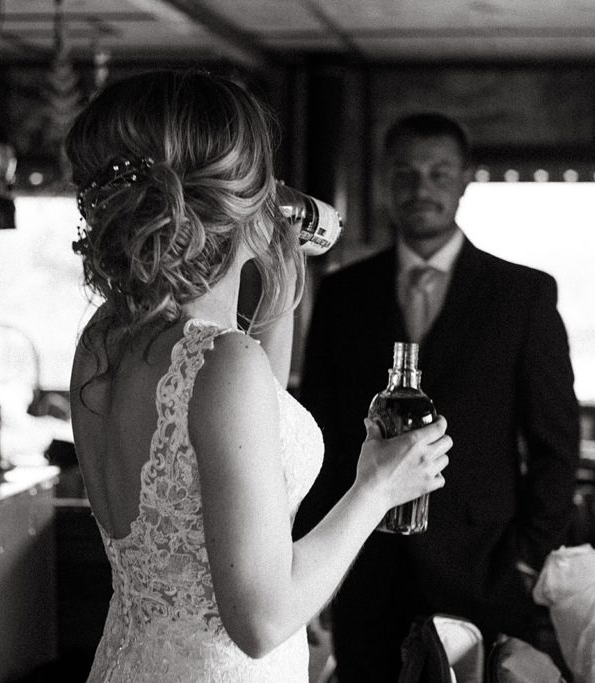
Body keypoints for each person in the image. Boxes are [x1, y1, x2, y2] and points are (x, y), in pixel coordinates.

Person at [66, 70, 452, 682]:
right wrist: (377, 486)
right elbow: (263, 622)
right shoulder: (221, 364)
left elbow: (258, 421)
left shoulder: (106, 339)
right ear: (240, 195)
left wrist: (282, 259)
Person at [294, 112, 580, 681]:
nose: (421, 189)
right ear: (384, 181)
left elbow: (556, 441)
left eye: (438, 173)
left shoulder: (522, 295)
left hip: (485, 568)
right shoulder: (341, 294)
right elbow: (319, 435)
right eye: (405, 174)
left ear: (465, 179)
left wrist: (526, 559)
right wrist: (313, 556)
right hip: (360, 566)